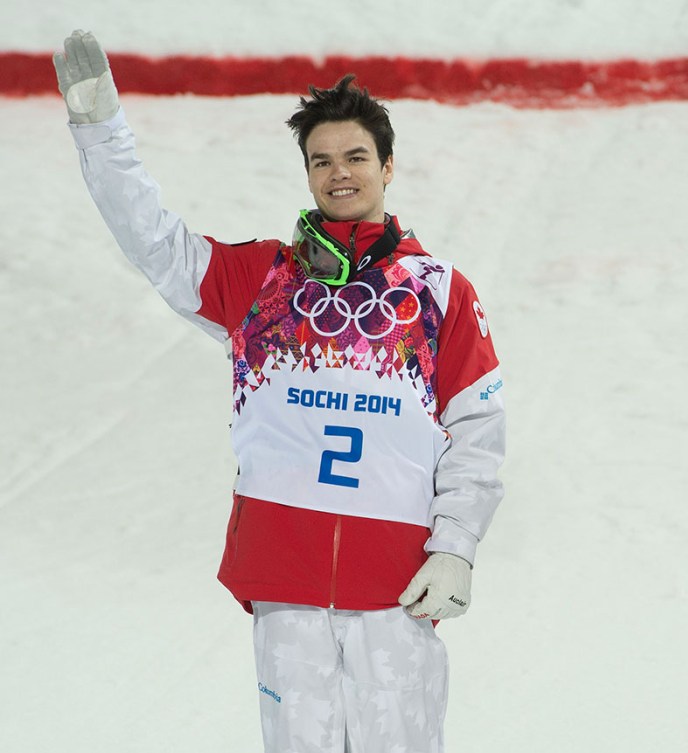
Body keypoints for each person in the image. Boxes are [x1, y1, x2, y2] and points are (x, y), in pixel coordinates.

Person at [54, 30, 505, 753]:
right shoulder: (264, 282)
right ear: (307, 174)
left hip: (397, 587)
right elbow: (155, 243)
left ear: (388, 166)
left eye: (356, 156)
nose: (340, 173)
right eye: (322, 160)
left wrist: (455, 546)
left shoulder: (440, 293)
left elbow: (478, 429)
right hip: (286, 585)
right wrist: (100, 129)